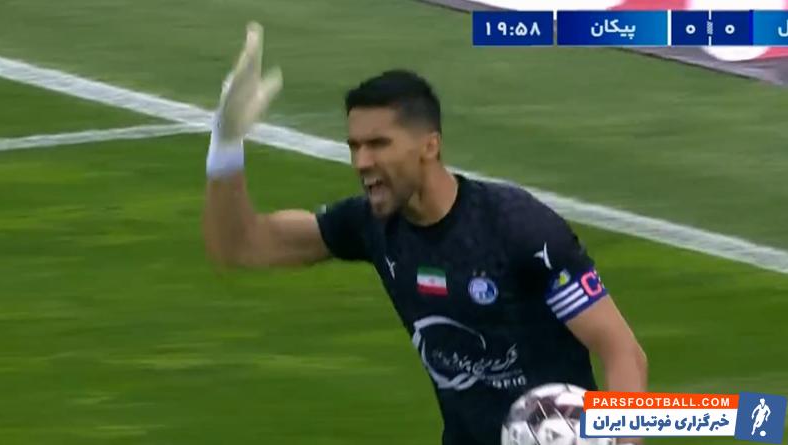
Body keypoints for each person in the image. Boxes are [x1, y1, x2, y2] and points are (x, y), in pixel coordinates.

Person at [203, 22, 648, 445]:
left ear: (430, 146)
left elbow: (623, 352)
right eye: (354, 146)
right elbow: (239, 246)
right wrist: (225, 145)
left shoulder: (517, 228)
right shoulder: (370, 224)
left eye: (378, 144)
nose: (362, 162)